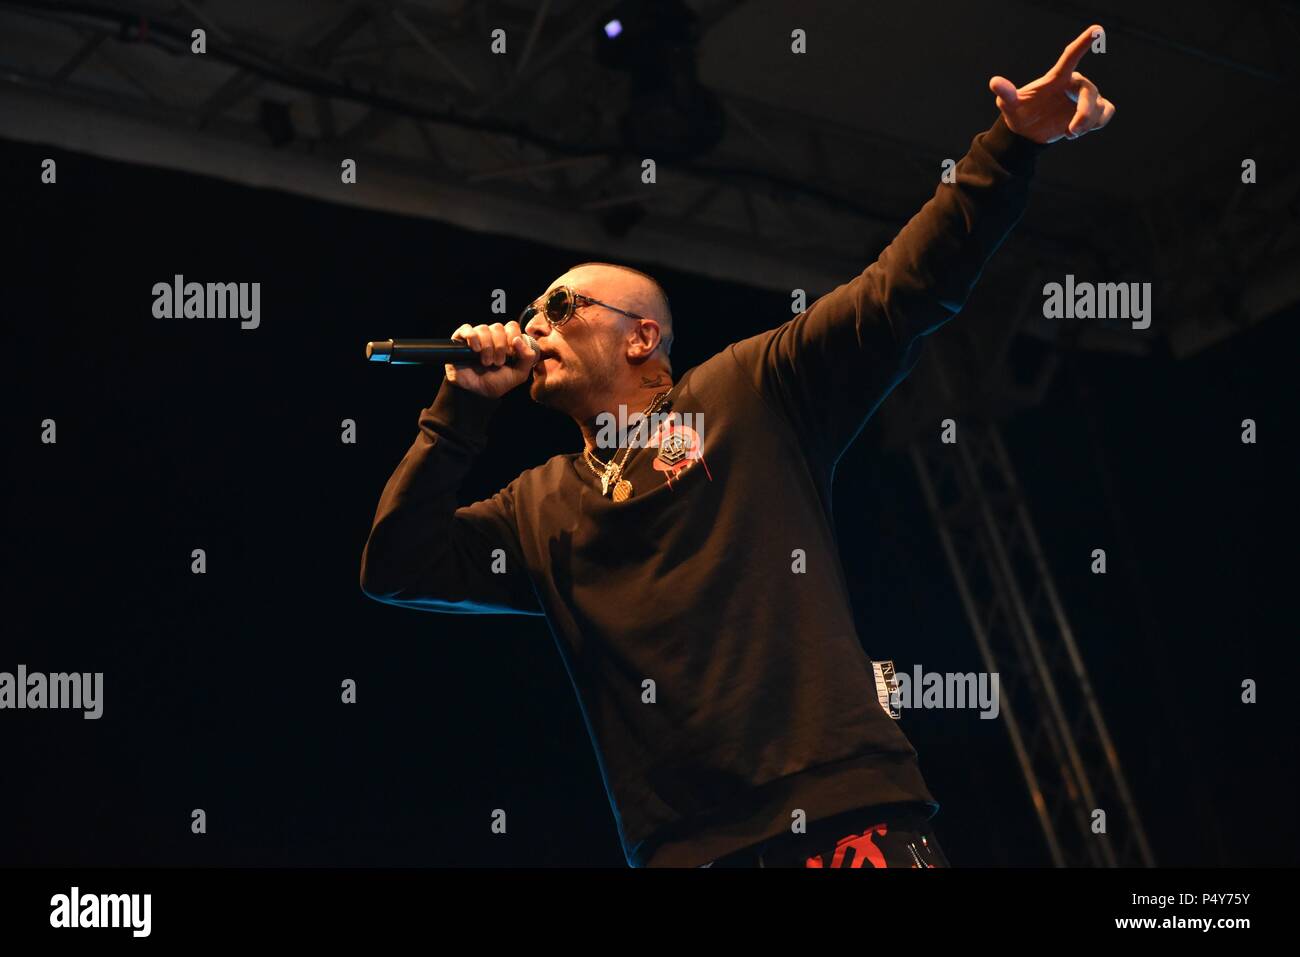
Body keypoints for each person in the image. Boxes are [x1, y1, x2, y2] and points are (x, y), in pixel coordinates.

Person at [360, 25, 1114, 868]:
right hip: (687, 850)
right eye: (531, 313)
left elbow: (901, 291)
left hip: (840, 810)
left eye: (562, 306)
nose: (535, 324)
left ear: (641, 337)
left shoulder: (749, 391)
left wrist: (1008, 146)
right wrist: (458, 408)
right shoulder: (539, 509)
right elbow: (399, 565)